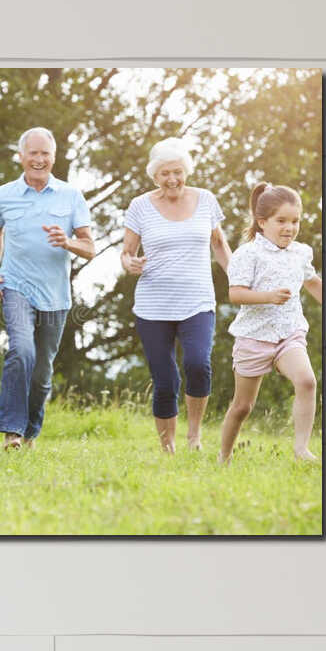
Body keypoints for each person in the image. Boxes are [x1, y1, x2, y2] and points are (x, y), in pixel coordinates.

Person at [121, 138, 230, 453]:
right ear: (155, 176)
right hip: (153, 306)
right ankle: (166, 446)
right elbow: (126, 253)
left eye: (178, 172)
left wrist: (238, 279)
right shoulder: (140, 206)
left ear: (187, 171)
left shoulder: (206, 200)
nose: (172, 179)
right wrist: (130, 263)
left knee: (198, 364)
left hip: (197, 302)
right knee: (165, 380)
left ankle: (194, 436)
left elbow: (219, 245)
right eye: (165, 173)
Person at [0, 127, 93, 451]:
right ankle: (11, 432)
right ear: (21, 156)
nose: (38, 159)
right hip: (15, 285)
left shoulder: (71, 195)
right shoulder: (1, 195)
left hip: (56, 295)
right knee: (22, 351)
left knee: (42, 371)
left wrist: (68, 242)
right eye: (32, 153)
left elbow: (89, 247)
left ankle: (30, 433)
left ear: (54, 157)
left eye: (44, 153)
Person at [219, 183, 323, 464]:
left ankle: (302, 450)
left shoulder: (300, 253)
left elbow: (312, 282)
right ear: (262, 222)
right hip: (254, 337)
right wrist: (268, 297)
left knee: (307, 381)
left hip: (289, 333)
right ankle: (223, 458)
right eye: (282, 221)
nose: (289, 227)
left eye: (295, 221)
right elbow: (235, 293)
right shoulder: (248, 254)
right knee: (243, 406)